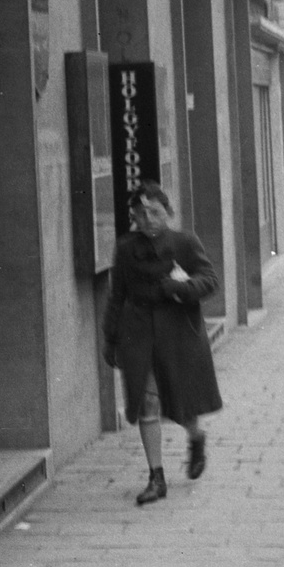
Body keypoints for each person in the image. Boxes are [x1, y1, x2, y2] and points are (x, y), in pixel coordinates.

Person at [103, 182, 222, 505]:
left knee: (181, 404)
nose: (148, 219)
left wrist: (180, 288)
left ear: (167, 213)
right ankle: (156, 477)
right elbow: (117, 296)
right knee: (147, 403)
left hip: (179, 334)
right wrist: (111, 338)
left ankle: (196, 438)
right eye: (140, 214)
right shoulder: (126, 248)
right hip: (139, 335)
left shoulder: (185, 242)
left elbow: (210, 280)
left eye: (154, 212)